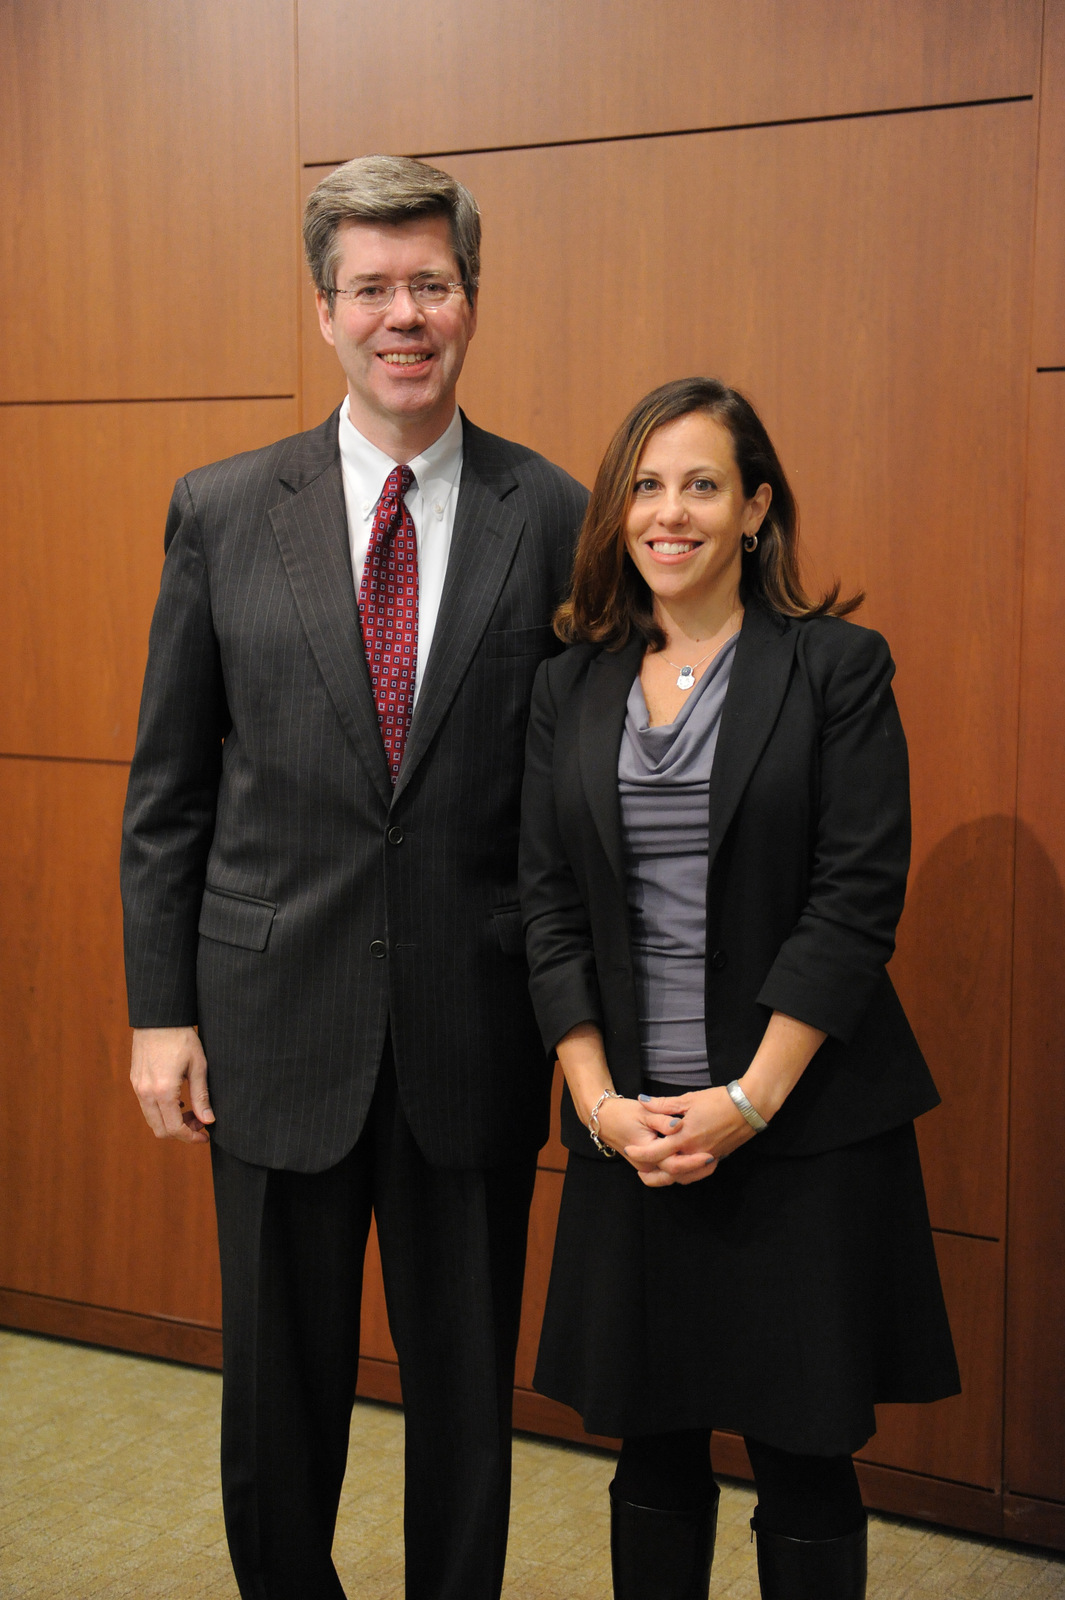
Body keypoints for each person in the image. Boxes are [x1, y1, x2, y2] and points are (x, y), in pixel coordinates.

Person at [121, 155, 587, 1600]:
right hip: (271, 1022)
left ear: (470, 301)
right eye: (372, 288)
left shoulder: (551, 511)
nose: (404, 316)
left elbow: (571, 804)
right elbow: (168, 792)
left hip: (475, 1026)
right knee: (278, 1394)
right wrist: (159, 1013)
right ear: (324, 310)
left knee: (466, 1401)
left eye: (430, 284)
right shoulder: (220, 510)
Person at [519, 377, 959, 1600]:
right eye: (646, 487)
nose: (671, 513)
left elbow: (852, 903)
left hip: (797, 1129)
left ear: (757, 508)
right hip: (635, 1132)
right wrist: (602, 1108)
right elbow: (548, 909)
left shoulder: (835, 668)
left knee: (803, 1451)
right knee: (652, 1445)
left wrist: (749, 1101)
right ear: (617, 514)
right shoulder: (569, 684)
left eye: (703, 485)